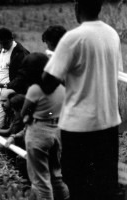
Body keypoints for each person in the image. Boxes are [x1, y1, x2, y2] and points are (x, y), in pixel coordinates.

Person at [41, 0, 123, 199]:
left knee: (77, 183)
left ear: (77, 8)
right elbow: (113, 72)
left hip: (80, 126)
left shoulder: (73, 38)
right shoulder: (112, 34)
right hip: (109, 122)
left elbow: (47, 83)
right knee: (105, 183)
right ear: (99, 7)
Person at [7, 53, 69, 200]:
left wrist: (30, 115)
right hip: (57, 131)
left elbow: (23, 112)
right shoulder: (61, 87)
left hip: (39, 133)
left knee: (40, 180)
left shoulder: (35, 89)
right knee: (56, 175)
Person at [0, 27, 30, 132]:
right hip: (1, 90)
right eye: (1, 43)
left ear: (11, 38)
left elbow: (23, 76)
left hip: (13, 92)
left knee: (2, 121)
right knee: (0, 119)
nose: (3, 45)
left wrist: (7, 87)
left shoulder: (21, 53)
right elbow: (1, 71)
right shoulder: (2, 51)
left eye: (6, 43)